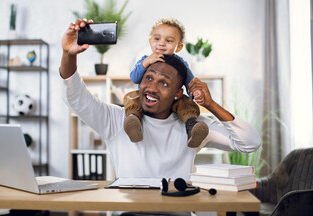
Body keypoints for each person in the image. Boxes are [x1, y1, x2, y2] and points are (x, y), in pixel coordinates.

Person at [60, 18, 261, 181]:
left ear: (178, 93)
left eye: (164, 83)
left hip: (178, 211)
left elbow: (249, 143)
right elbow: (76, 97)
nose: (151, 88)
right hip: (130, 213)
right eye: (148, 78)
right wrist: (68, 54)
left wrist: (210, 104)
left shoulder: (195, 127)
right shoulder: (115, 119)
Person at [123, 18, 208, 148]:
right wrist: (146, 62)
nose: (161, 44)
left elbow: (190, 83)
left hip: (172, 100)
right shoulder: (146, 59)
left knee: (186, 103)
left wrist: (195, 93)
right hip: (146, 99)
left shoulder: (181, 64)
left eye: (168, 41)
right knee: (132, 97)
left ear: (178, 47)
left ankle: (192, 126)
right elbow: (134, 78)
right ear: (150, 41)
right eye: (157, 39)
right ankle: (133, 120)